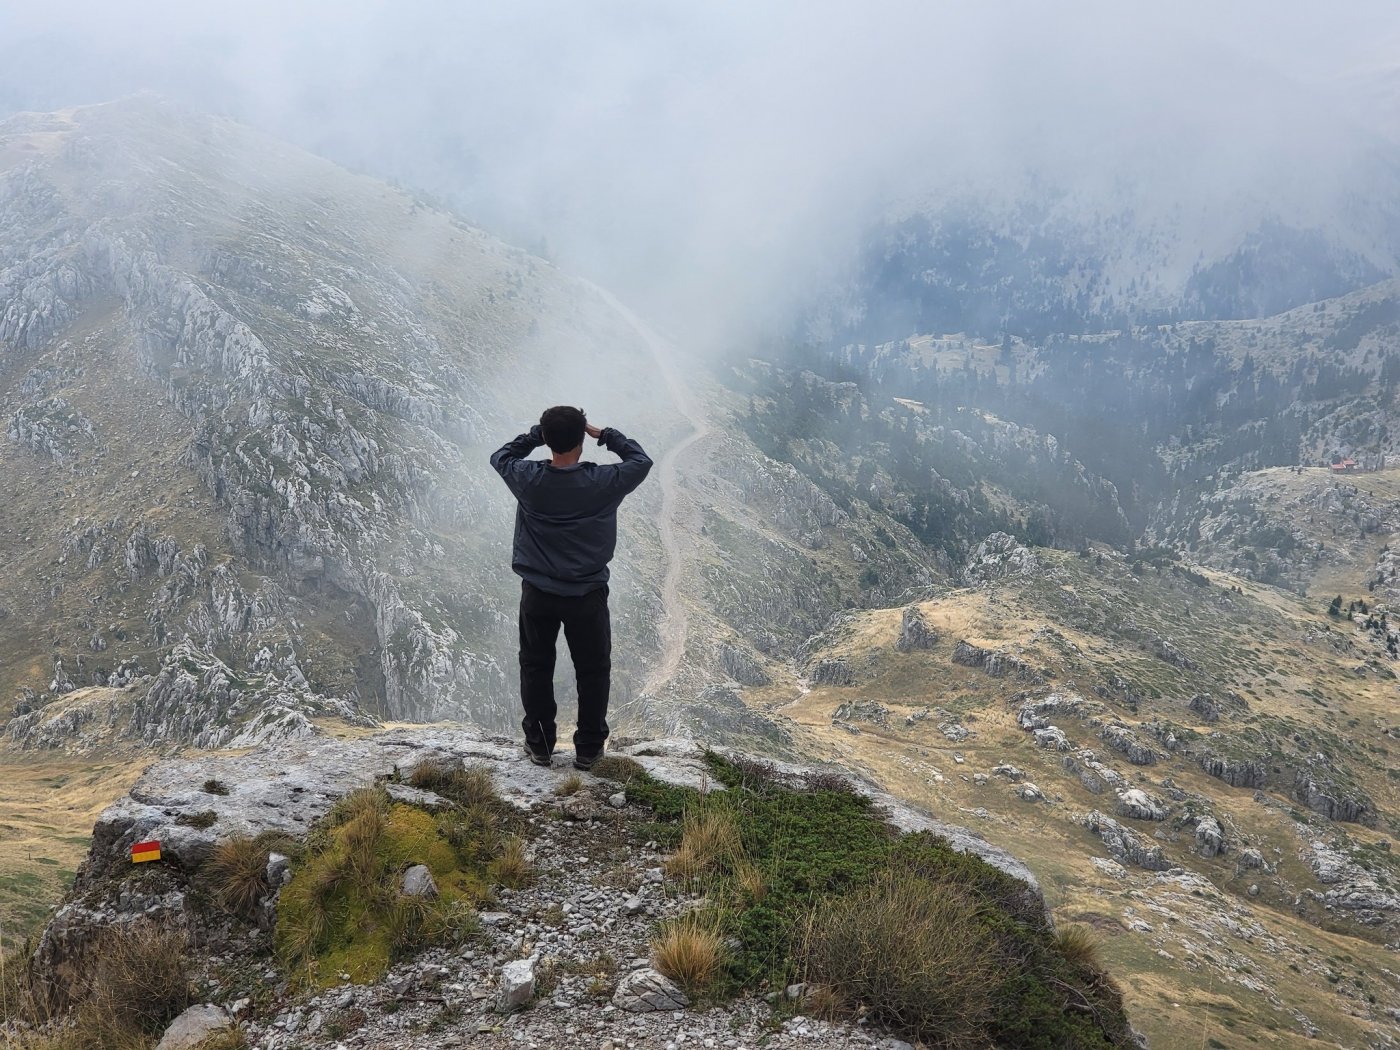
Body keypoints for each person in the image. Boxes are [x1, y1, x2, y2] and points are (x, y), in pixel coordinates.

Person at [490, 406, 652, 770]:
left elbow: (501, 455)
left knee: (536, 665)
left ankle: (541, 745)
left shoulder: (528, 479)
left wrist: (536, 434)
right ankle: (589, 750)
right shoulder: (601, 483)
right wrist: (605, 434)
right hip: (586, 595)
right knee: (593, 671)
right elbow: (640, 461)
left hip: (538, 593)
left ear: (548, 441)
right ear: (582, 440)